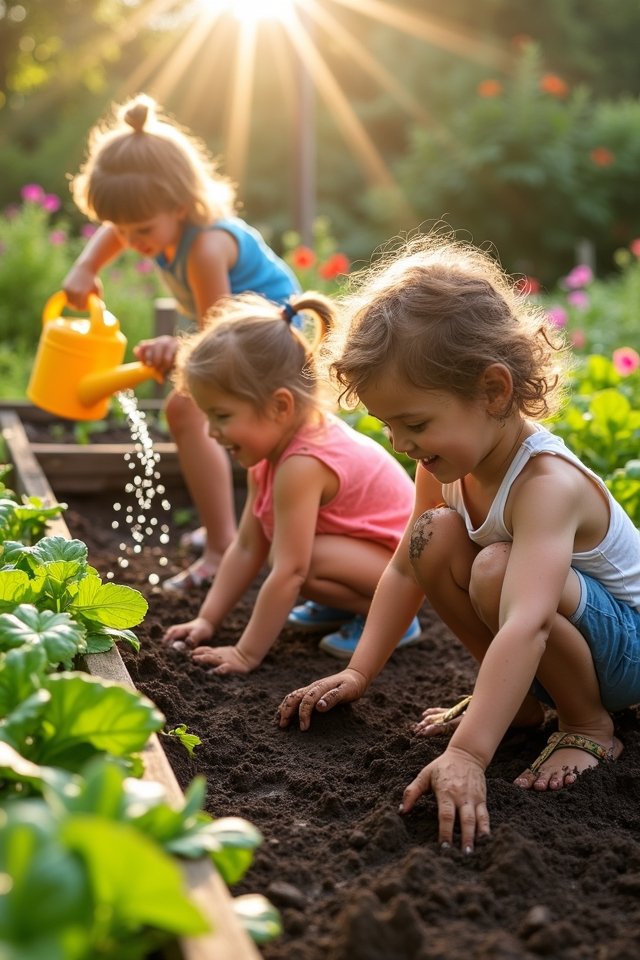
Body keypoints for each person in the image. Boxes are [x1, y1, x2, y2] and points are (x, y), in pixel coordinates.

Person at [277, 234, 640, 853]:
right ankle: (525, 705)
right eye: (387, 425)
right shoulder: (444, 463)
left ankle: (587, 724)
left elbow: (526, 623)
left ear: (493, 391)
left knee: (497, 572)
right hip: (559, 635)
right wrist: (360, 671)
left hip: (627, 652)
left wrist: (468, 753)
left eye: (414, 423)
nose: (400, 441)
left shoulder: (545, 484)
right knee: (433, 537)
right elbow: (402, 572)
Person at [62, 93, 300, 592]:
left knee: (187, 410)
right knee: (187, 412)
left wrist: (177, 348)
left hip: (277, 342)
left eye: (142, 229)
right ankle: (224, 532)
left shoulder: (207, 247)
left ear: (180, 203)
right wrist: (84, 266)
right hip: (236, 336)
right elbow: (113, 230)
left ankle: (221, 548)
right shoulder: (154, 227)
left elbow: (217, 337)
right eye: (125, 230)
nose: (133, 241)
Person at [162, 291, 421, 670]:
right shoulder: (270, 456)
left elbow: (289, 573)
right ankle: (342, 604)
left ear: (280, 406)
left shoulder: (302, 463)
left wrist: (245, 653)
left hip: (404, 570)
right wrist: (207, 619)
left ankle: (393, 620)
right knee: (286, 551)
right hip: (368, 557)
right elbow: (247, 546)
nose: (212, 432)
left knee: (301, 561)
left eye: (221, 415)